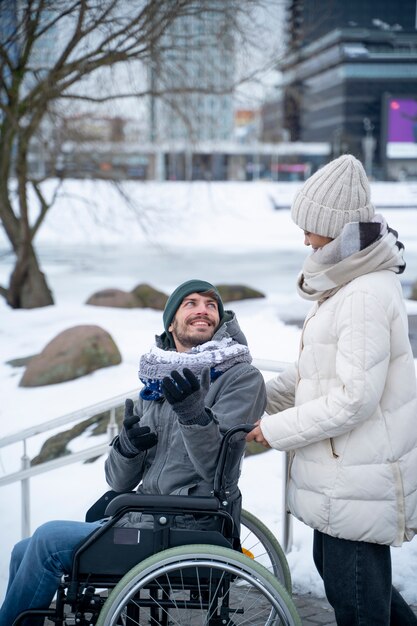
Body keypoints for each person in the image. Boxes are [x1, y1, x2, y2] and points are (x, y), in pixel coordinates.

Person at [0, 279, 266, 626]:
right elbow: (119, 481)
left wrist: (193, 414)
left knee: (48, 540)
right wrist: (127, 449)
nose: (203, 309)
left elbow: (218, 469)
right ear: (171, 323)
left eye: (210, 304)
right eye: (191, 303)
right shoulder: (157, 382)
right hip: (146, 517)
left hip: (190, 525)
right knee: (23, 549)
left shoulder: (241, 378)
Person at [247, 155, 417, 626]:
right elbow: (313, 375)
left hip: (358, 475)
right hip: (345, 474)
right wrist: (254, 401)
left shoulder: (362, 293)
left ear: (340, 231)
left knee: (358, 601)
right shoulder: (346, 284)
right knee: (359, 590)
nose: (304, 239)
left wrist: (275, 430)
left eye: (312, 228)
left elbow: (355, 397)